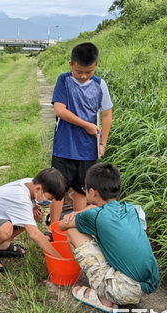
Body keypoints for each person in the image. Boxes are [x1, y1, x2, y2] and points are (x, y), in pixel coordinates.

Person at [58, 163, 159, 313]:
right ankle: (113, 286)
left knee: (73, 232)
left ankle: (103, 297)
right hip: (148, 284)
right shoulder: (131, 209)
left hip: (122, 290)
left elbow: (61, 226)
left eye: (86, 189)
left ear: (92, 192)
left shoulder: (96, 215)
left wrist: (77, 214)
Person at [49, 42, 113, 224]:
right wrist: (86, 125)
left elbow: (107, 114)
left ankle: (76, 226)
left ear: (96, 66)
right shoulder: (64, 81)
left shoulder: (100, 84)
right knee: (57, 190)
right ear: (71, 65)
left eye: (89, 72)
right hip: (64, 147)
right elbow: (60, 111)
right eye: (79, 72)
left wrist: (103, 143)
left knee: (82, 190)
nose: (84, 76)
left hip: (88, 149)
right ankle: (53, 227)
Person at [0, 168, 66, 272]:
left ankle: (2, 245)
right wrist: (59, 258)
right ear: (38, 189)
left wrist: (34, 206)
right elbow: (35, 234)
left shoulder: (32, 183)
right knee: (5, 229)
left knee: (35, 215)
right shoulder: (20, 197)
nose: (49, 202)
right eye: (49, 199)